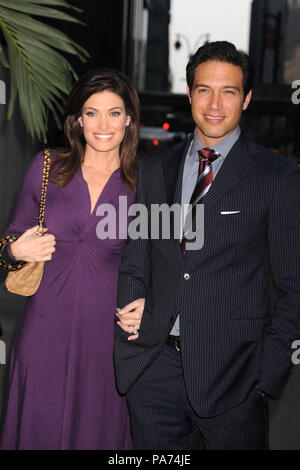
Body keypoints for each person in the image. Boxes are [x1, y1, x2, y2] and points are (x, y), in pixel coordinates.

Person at [114, 41, 300, 450]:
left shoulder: (277, 176)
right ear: (190, 94)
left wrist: (267, 377)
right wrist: (133, 324)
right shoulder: (155, 168)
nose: (215, 103)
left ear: (247, 98)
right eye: (204, 90)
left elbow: (294, 287)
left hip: (235, 383)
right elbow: (137, 260)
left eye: (229, 91)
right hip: (154, 377)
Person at [0, 68, 144, 450]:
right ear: (77, 119)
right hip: (43, 330)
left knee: (99, 431)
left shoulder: (145, 183)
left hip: (108, 340)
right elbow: (7, 245)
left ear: (129, 119)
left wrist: (151, 304)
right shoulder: (47, 168)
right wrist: (15, 250)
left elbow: (163, 265)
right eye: (91, 112)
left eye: (114, 113)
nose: (103, 124)